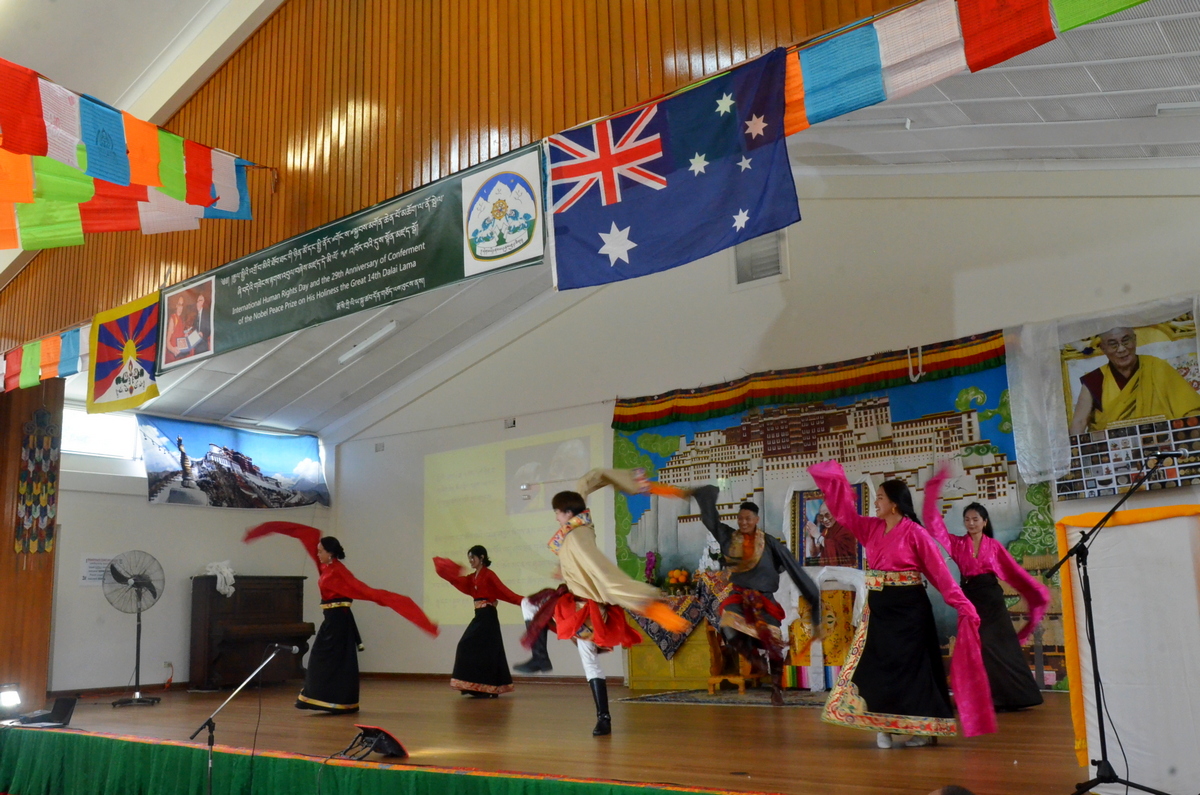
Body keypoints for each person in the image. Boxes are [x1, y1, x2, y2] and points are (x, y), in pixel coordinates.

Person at [808, 460, 995, 747]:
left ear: (894, 504)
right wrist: (833, 481)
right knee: (877, 665)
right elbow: (844, 513)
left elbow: (939, 575)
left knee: (913, 669)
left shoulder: (915, 533)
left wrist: (962, 604)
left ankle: (920, 728)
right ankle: (884, 725)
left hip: (909, 608)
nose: (876, 503)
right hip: (879, 607)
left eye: (880, 497)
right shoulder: (870, 528)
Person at [522, 468, 688, 736]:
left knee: (539, 614)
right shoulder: (576, 524)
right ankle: (597, 712)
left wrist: (643, 597)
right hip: (573, 597)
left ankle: (599, 713)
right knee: (532, 606)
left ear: (567, 513)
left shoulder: (578, 537)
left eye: (557, 512)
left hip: (584, 606)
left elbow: (603, 574)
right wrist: (627, 481)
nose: (555, 517)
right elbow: (587, 480)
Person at [244, 521, 438, 713]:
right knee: (328, 660)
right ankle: (321, 699)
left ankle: (332, 701)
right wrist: (264, 530)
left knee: (328, 660)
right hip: (332, 620)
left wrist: (407, 610)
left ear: (331, 553)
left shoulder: (339, 572)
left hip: (339, 622)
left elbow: (367, 591)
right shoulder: (326, 567)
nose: (317, 553)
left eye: (320, 551)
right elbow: (305, 534)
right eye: (318, 550)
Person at [922, 469, 1050, 711]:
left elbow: (1015, 573)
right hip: (969, 600)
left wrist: (1035, 591)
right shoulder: (957, 544)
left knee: (1001, 647)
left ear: (985, 521)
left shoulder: (994, 547)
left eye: (976, 519)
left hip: (992, 600)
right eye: (967, 519)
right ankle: (979, 699)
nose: (971, 523)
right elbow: (934, 525)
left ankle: (1016, 697)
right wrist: (932, 491)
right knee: (973, 649)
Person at [692, 485, 821, 706]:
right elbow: (711, 521)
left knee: (774, 646)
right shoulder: (729, 538)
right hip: (738, 597)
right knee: (727, 626)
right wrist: (706, 496)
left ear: (756, 519)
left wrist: (814, 602)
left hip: (764, 600)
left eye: (748, 519)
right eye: (740, 519)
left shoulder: (770, 543)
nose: (743, 522)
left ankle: (776, 688)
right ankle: (755, 661)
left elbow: (794, 569)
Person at [1069, 326, 1200, 434]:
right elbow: (1079, 422)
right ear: (1103, 349)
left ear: (1135, 340)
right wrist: (1076, 457)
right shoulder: (1095, 380)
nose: (1121, 349)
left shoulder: (1156, 367)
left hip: (1163, 447)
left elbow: (1191, 408)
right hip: (1116, 453)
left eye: (1126, 341)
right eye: (1113, 344)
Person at [433, 545, 524, 698]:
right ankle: (478, 687)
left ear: (481, 557)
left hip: (488, 616)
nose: (470, 561)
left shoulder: (489, 575)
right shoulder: (472, 577)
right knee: (475, 648)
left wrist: (526, 601)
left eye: (472, 557)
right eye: (469, 558)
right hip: (480, 615)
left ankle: (486, 688)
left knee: (474, 647)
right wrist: (447, 572)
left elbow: (505, 592)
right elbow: (459, 582)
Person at [805, 502, 858, 567]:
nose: (825, 520)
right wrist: (812, 537)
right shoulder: (826, 531)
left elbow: (836, 548)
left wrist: (818, 536)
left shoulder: (846, 528)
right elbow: (814, 553)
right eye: (822, 516)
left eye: (828, 515)